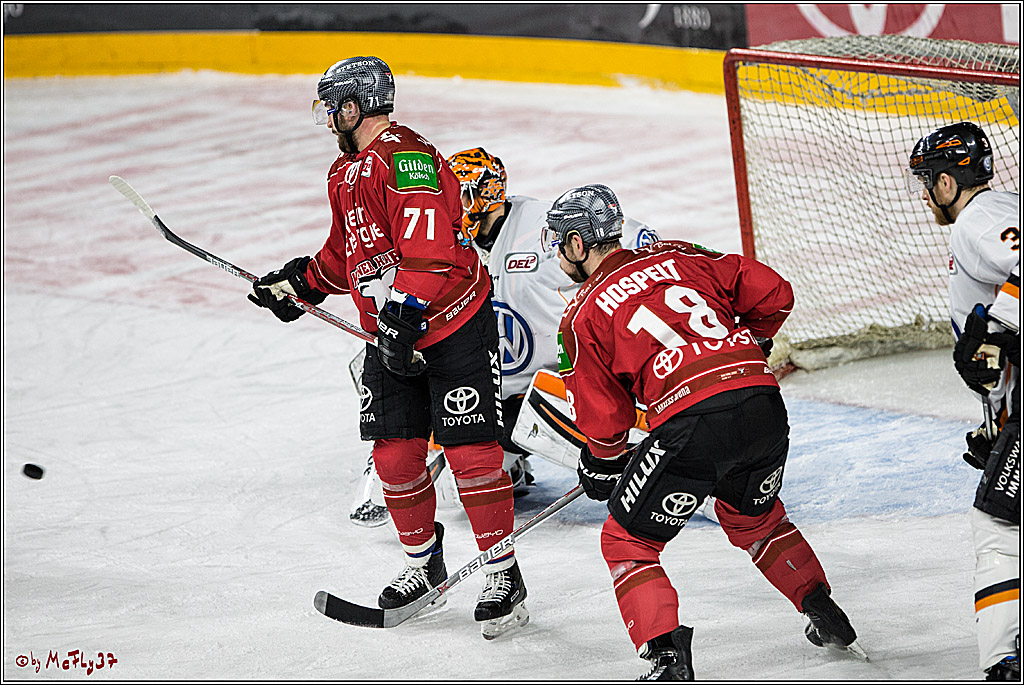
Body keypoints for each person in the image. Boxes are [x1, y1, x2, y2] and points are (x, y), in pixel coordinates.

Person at [248, 56, 528, 639]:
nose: (326, 119)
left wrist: (402, 318)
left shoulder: (405, 158)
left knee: (472, 457)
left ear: (353, 107)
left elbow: (429, 253)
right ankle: (423, 565)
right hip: (395, 332)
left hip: (451, 325)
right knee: (395, 460)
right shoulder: (344, 172)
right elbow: (348, 253)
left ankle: (503, 574)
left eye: (331, 107)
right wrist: (299, 281)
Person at [548, 183, 865, 679]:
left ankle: (665, 660)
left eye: (560, 243)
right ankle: (822, 609)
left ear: (576, 244)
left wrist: (602, 461)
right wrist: (750, 345)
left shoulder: (582, 312)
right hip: (764, 404)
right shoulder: (681, 256)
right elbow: (776, 292)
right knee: (755, 521)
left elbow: (604, 419)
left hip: (694, 422)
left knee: (626, 541)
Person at [349, 147, 660, 524]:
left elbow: (635, 244)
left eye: (459, 194)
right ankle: (509, 462)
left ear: (487, 196)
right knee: (452, 491)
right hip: (495, 391)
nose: (448, 203)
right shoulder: (442, 240)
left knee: (560, 423)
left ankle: (685, 471)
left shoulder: (540, 228)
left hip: (563, 386)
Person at [908, 121, 1020, 681]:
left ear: (948, 183)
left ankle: (1006, 664)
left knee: (999, 526)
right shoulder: (997, 211)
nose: (926, 194)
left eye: (927, 181)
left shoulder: (978, 220)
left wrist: (998, 329)